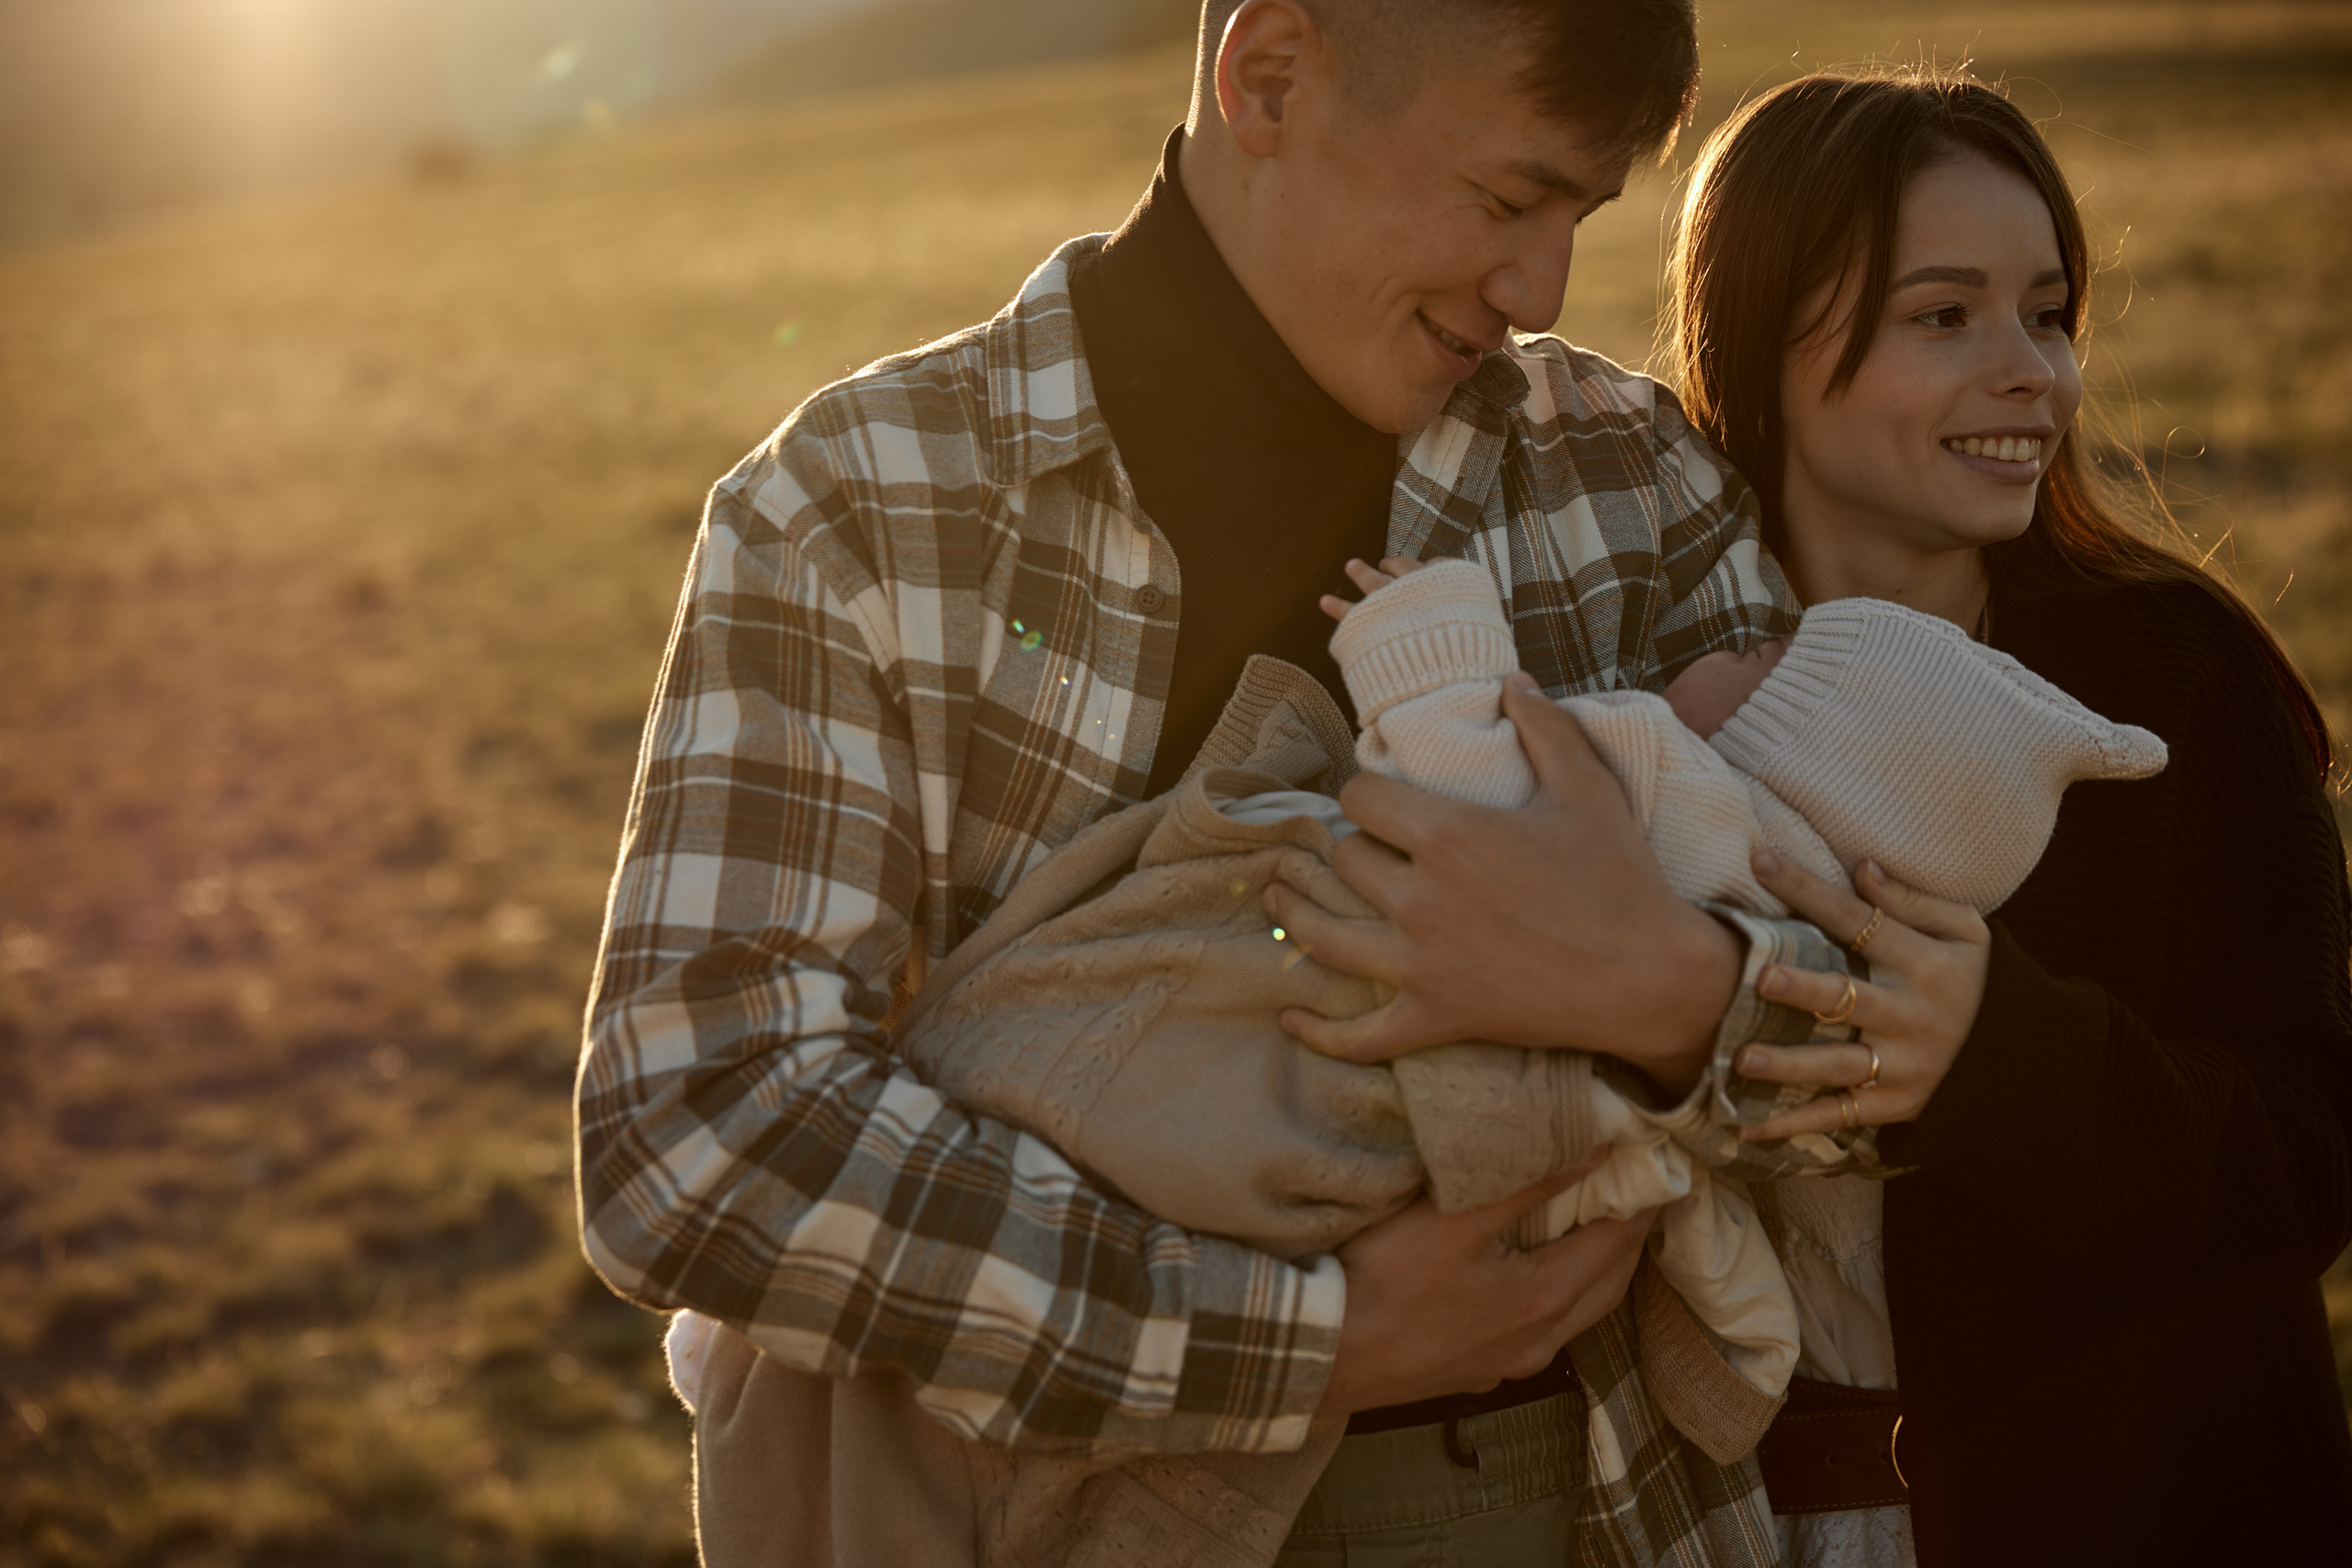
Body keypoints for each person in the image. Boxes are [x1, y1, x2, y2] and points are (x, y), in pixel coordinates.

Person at [579, 2, 1859, 1563]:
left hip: (1586, 1502)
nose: (1541, 289)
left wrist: (1668, 992)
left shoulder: (1628, 476)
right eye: (1508, 199)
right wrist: (1294, 1344)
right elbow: (696, 1133)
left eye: (1580, 219)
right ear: (1268, 77)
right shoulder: (856, 512)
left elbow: (1891, 1024)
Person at [1266, 71, 2352, 1566]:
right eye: (1945, 315)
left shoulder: (2168, 674)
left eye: (2047, 313)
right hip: (1728, 1525)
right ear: (1765, 338)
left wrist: (1995, 1052)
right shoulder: (1661, 683)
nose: (2031, 370)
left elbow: (2309, 1160)